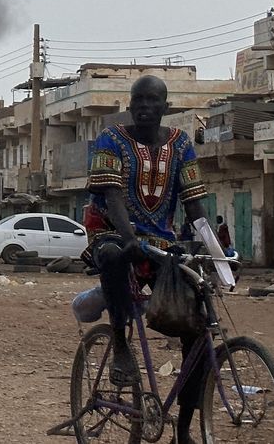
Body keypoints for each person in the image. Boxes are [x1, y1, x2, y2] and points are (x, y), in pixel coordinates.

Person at [83, 75, 209, 444]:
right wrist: (128, 238)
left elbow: (195, 202)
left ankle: (183, 429)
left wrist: (214, 250)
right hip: (112, 231)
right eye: (138, 99)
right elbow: (111, 196)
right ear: (130, 104)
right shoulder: (110, 140)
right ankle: (121, 342)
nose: (144, 106)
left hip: (163, 243)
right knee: (112, 255)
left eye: (153, 100)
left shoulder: (181, 143)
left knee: (197, 328)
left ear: (165, 106)